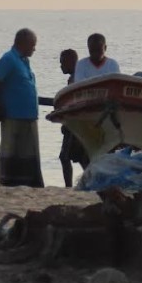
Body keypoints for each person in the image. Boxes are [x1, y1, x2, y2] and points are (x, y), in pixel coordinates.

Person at [0, 28, 44, 187]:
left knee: (29, 153)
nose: (34, 49)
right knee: (12, 152)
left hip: (28, 116)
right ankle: (9, 183)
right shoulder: (8, 59)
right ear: (23, 43)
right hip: (13, 116)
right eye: (32, 45)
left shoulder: (23, 61)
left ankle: (31, 183)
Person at [57, 49, 89, 188]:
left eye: (62, 62)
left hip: (75, 123)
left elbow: (75, 103)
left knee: (66, 157)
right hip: (77, 123)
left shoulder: (76, 79)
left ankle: (69, 186)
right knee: (80, 157)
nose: (61, 66)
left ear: (71, 62)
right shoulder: (76, 78)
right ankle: (89, 181)